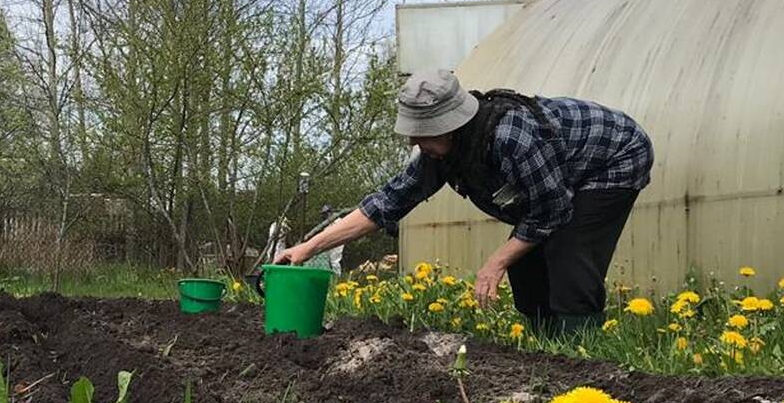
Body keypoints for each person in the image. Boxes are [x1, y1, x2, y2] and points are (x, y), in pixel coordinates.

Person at [274, 69, 653, 333]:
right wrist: (307, 248)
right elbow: (385, 204)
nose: (415, 144)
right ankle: (546, 348)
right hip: (559, 177)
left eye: (423, 135)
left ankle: (581, 353)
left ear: (451, 126)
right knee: (526, 262)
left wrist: (493, 263)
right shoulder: (441, 154)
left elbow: (554, 209)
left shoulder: (510, 136)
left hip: (612, 157)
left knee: (569, 251)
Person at [304, 205, 344, 275]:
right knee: (329, 260)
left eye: (325, 213)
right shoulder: (326, 224)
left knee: (335, 261)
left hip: (338, 241)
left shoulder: (338, 221)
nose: (324, 215)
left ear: (329, 212)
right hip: (330, 242)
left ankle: (337, 276)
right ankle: (332, 276)